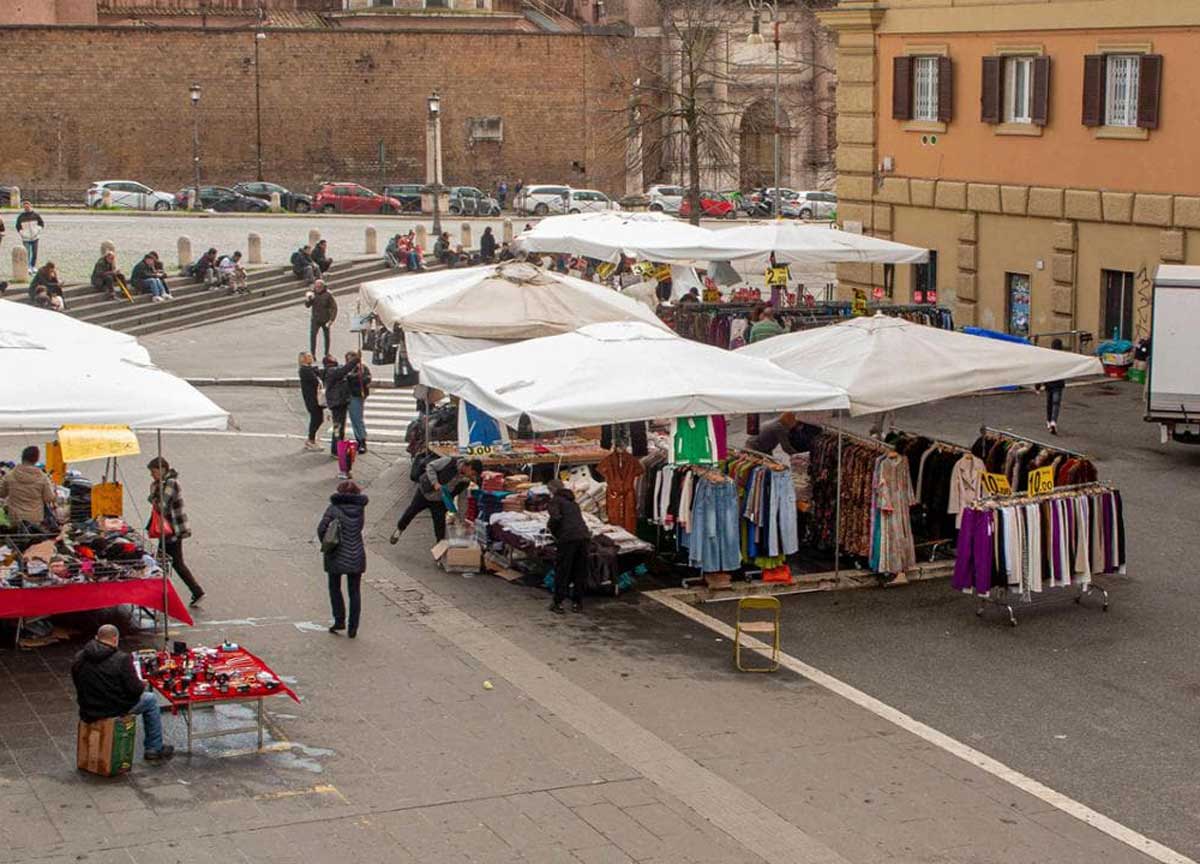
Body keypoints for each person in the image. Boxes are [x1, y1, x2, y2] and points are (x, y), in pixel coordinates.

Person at [72, 625, 174, 763]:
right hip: (112, 709)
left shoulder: (80, 656)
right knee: (150, 699)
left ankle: (154, 747)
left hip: (87, 708)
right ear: (115, 639)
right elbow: (135, 690)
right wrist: (141, 684)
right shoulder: (122, 659)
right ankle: (154, 748)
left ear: (97, 638)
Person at [146, 457, 205, 607]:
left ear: (162, 469)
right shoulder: (161, 484)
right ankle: (195, 591)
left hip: (173, 529)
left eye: (153, 472)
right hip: (168, 530)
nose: (152, 476)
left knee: (163, 562)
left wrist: (154, 492)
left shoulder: (171, 483)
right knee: (172, 562)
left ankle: (162, 595)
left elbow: (161, 506)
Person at [390, 457, 481, 544]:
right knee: (411, 511)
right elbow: (430, 466)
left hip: (440, 501)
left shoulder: (465, 481)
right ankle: (399, 529)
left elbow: (463, 500)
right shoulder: (450, 462)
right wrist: (435, 483)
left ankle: (439, 552)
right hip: (425, 492)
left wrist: (462, 519)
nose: (471, 476)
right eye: (472, 473)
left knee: (439, 525)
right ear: (469, 466)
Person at [318, 480, 368, 638]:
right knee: (354, 592)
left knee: (335, 588)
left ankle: (339, 620)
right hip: (357, 553)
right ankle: (353, 628)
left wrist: (327, 545)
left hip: (336, 554)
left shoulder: (333, 508)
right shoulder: (360, 509)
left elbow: (321, 529)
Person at [546, 479, 589, 614]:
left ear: (552, 490)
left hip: (568, 538)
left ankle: (558, 602)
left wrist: (551, 529)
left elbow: (556, 518)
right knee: (579, 569)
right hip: (584, 537)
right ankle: (578, 602)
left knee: (563, 570)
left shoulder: (555, 501)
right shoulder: (573, 503)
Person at [0, 446, 56, 529]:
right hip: (35, 519)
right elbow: (49, 498)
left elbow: (1, 493)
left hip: (15, 518)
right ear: (36, 460)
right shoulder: (42, 478)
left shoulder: (10, 475)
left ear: (22, 457)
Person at [323, 355, 353, 467]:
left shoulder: (331, 371)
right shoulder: (332, 371)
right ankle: (336, 450)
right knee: (337, 428)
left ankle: (337, 448)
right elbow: (344, 370)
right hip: (337, 403)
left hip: (339, 402)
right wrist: (355, 361)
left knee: (339, 427)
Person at [744, 412, 816, 456]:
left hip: (762, 447)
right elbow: (786, 447)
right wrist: (798, 456)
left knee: (770, 466)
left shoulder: (778, 421)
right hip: (755, 447)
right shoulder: (779, 428)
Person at [343, 350, 372, 455]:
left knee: (357, 418)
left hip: (356, 396)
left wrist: (354, 377)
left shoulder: (361, 368)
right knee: (353, 419)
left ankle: (362, 441)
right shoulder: (346, 369)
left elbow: (366, 379)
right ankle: (358, 439)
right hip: (348, 395)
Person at [299, 352, 325, 451]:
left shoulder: (309, 369)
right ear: (304, 359)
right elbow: (315, 380)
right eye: (309, 356)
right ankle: (311, 440)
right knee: (316, 419)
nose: (311, 358)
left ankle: (311, 439)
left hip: (315, 398)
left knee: (318, 419)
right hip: (312, 398)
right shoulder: (305, 370)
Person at [305, 280, 337, 359]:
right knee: (313, 336)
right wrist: (308, 299)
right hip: (315, 319)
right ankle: (313, 354)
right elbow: (307, 305)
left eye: (319, 287)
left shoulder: (328, 295)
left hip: (325, 319)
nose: (317, 288)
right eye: (316, 287)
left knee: (326, 336)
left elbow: (334, 308)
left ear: (323, 287)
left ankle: (326, 353)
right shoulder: (312, 294)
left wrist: (331, 319)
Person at [1041, 338, 1067, 435]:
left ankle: (1048, 421)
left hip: (1049, 383)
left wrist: (1039, 384)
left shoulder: (1048, 357)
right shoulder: (1063, 357)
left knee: (1049, 403)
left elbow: (1044, 370)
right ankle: (1053, 421)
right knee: (1056, 403)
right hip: (1058, 383)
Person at [15, 201, 44, 275]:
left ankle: (33, 266)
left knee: (35, 253)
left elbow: (41, 223)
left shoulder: (36, 215)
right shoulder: (21, 216)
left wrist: (38, 230)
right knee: (27, 253)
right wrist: (22, 233)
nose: (26, 208)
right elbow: (18, 226)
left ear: (30, 206)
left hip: (35, 237)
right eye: (25, 207)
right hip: (25, 238)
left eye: (27, 206)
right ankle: (27, 267)